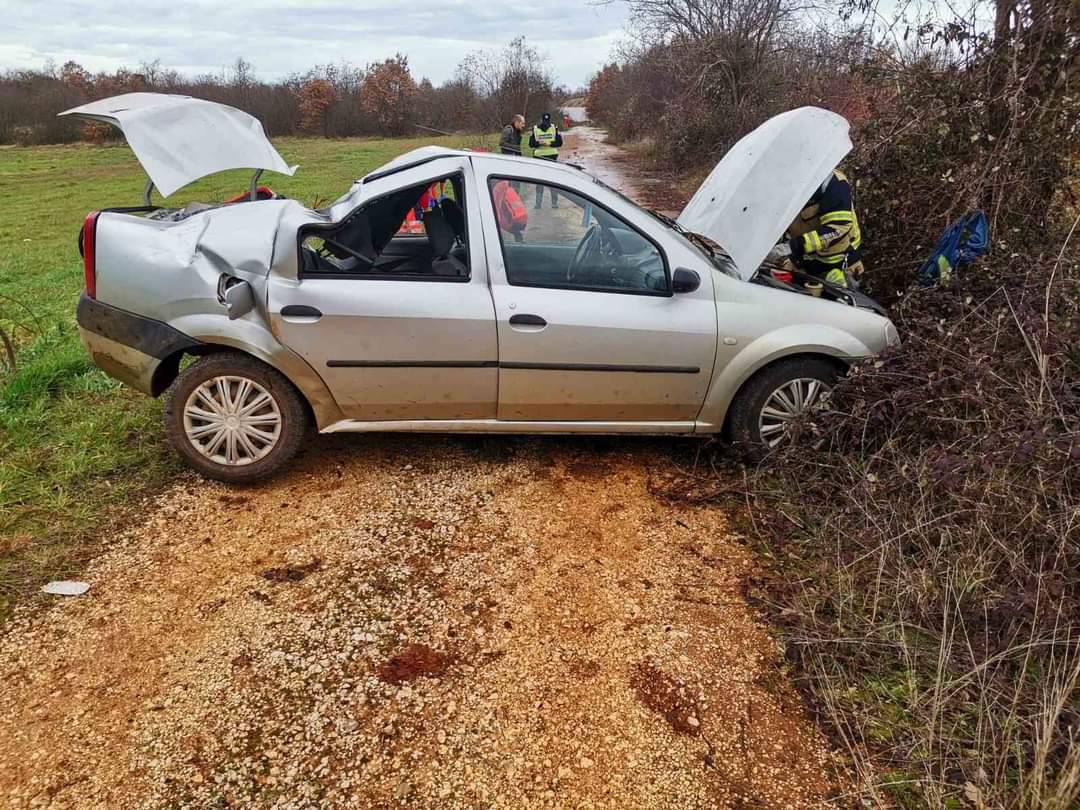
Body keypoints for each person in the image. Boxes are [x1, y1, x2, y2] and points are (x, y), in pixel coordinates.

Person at [786, 169, 864, 288]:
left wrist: (793, 246)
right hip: (805, 263)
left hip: (840, 265)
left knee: (836, 302)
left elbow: (838, 229)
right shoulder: (786, 183)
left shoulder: (835, 184)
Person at [529, 112, 564, 209]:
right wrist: (549, 144)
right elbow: (559, 143)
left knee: (540, 180)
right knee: (552, 180)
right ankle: (552, 203)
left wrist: (541, 143)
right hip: (550, 156)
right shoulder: (553, 128)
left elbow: (531, 144)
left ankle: (539, 204)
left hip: (540, 157)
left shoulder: (537, 129)